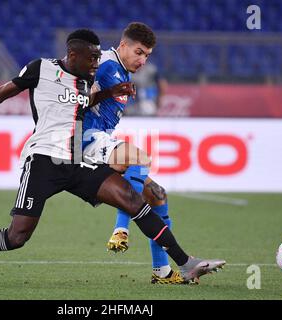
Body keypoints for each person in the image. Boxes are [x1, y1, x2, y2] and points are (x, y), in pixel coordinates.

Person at [0, 29, 225, 287]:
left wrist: (109, 93)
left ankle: (186, 263)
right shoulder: (41, 69)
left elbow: (84, 103)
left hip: (77, 159)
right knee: (17, 237)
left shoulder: (84, 81)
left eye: (97, 58)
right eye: (92, 59)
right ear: (73, 54)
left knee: (134, 200)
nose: (96, 64)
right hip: (42, 160)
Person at [82, 23, 215, 284]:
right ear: (123, 46)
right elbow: (81, 97)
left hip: (102, 141)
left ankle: (162, 272)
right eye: (139, 52)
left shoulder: (121, 71)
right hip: (86, 141)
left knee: (157, 195)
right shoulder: (106, 65)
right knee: (140, 157)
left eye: (147, 55)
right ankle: (121, 228)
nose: (143, 60)